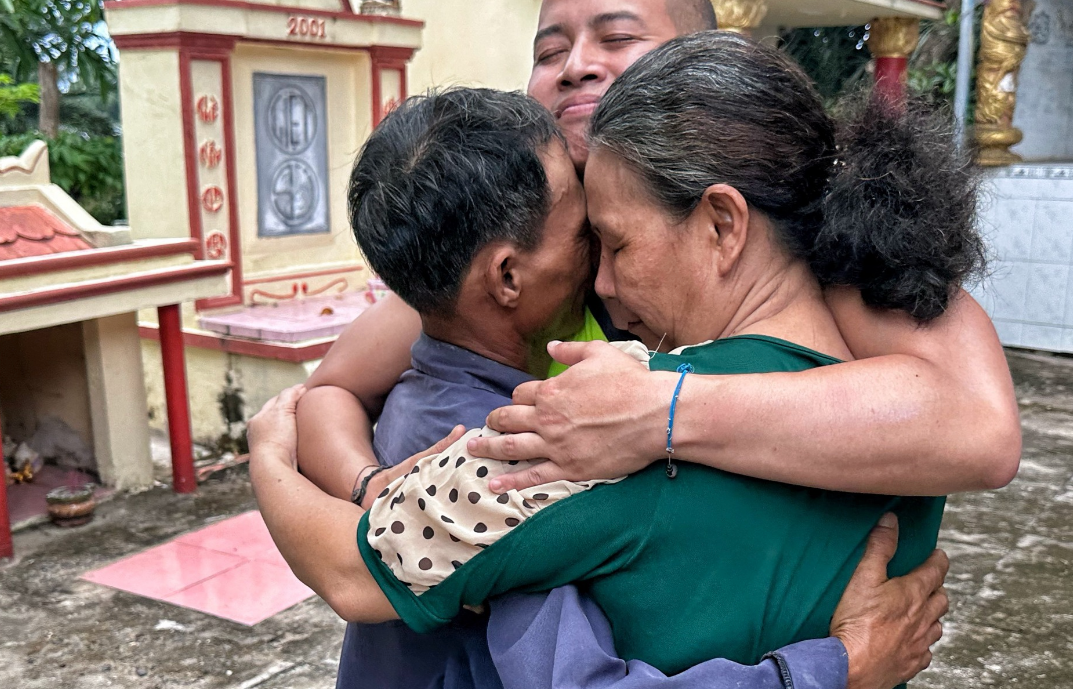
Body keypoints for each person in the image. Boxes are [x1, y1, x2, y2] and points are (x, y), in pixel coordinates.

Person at [251, 82, 951, 689]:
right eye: (589, 234)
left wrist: (272, 461)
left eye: (610, 237)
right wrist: (844, 666)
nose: (605, 280)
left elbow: (352, 570)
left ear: (722, 223)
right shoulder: (918, 425)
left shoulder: (575, 441)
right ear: (504, 277)